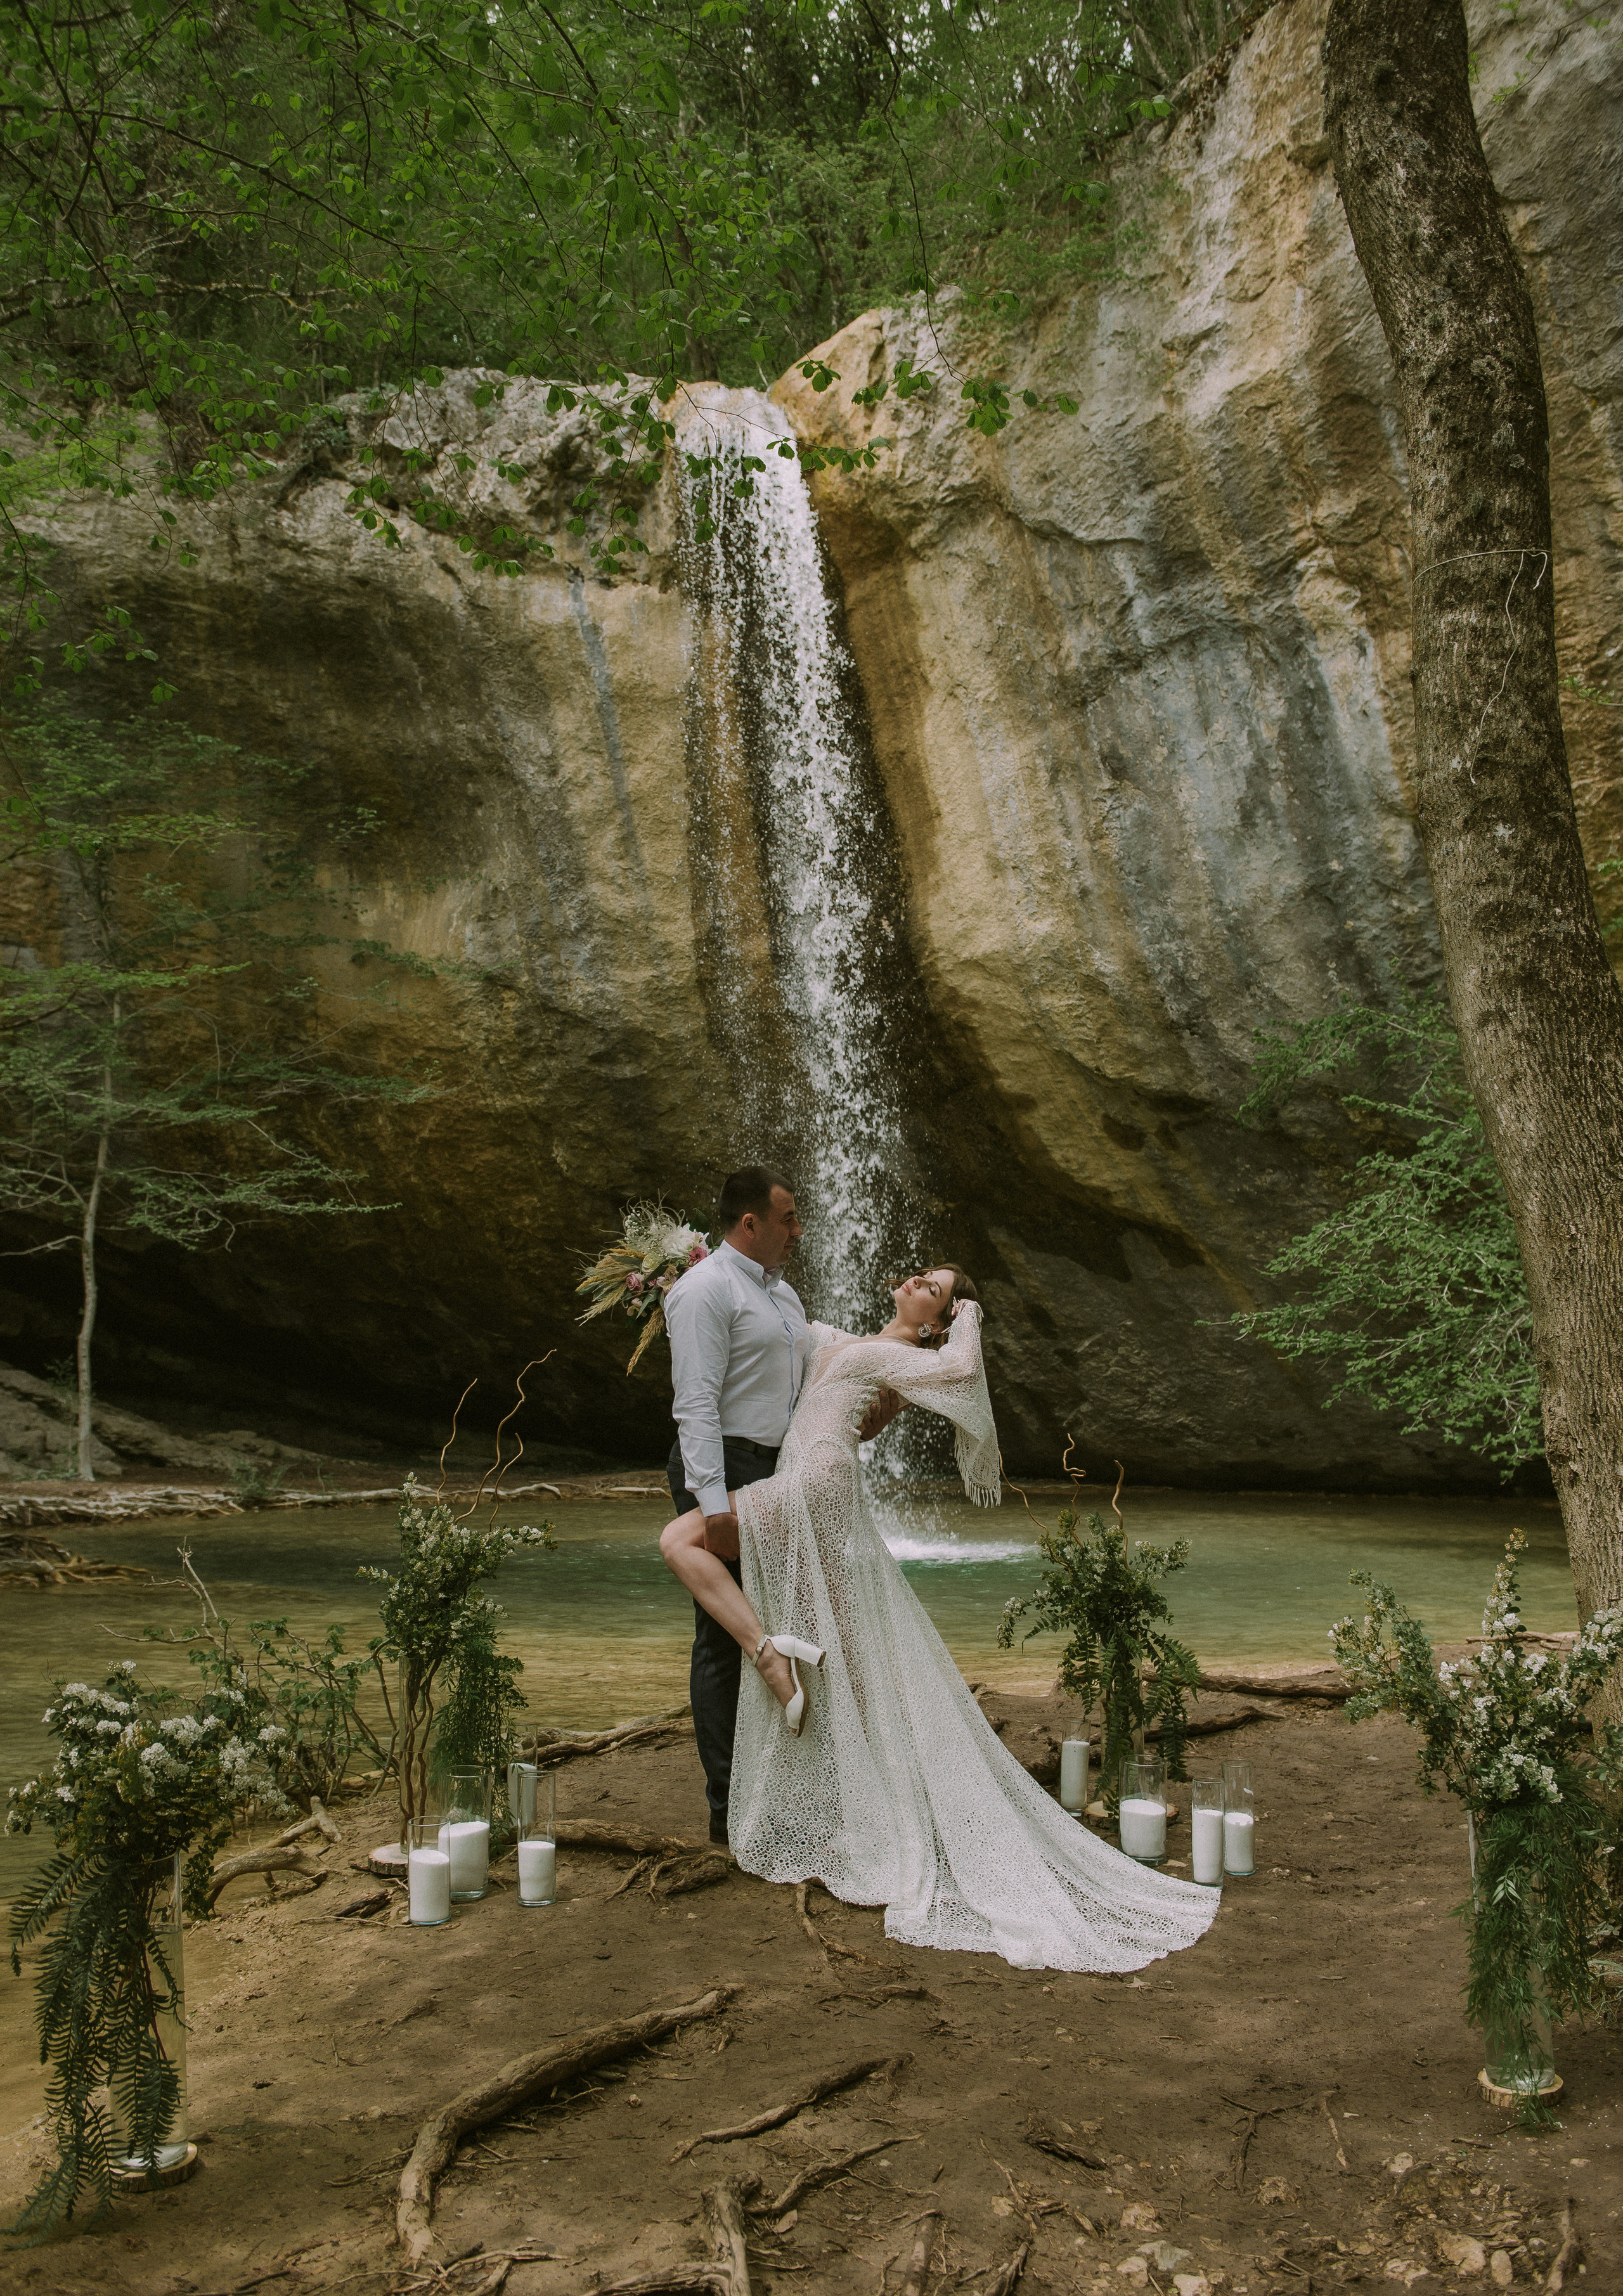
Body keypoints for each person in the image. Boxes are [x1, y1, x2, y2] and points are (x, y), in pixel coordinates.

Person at [661, 1266, 1220, 1973]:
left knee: (679, 1541)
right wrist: (682, 1280)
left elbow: (959, 1370)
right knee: (846, 1645)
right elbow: (784, 1335)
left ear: (935, 1320)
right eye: (925, 1274)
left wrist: (970, 1318)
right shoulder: (853, 1340)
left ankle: (770, 1655)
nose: (919, 1277)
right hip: (816, 1478)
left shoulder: (908, 1355)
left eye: (935, 1286)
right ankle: (864, 1800)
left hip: (817, 1480)